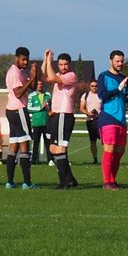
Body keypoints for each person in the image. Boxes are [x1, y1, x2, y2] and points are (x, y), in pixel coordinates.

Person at [41, 50, 82, 189]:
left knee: (60, 149)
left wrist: (49, 62)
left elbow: (51, 77)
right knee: (53, 148)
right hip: (57, 115)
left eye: (65, 64)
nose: (63, 67)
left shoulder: (71, 76)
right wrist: (46, 60)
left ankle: (64, 182)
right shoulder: (58, 75)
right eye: (60, 64)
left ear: (69, 65)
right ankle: (70, 179)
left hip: (64, 115)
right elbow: (44, 77)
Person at [95, 50, 128, 190]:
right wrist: (118, 89)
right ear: (111, 61)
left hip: (121, 119)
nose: (120, 63)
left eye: (122, 61)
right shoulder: (103, 76)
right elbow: (102, 95)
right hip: (108, 118)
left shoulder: (124, 78)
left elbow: (127, 97)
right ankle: (107, 182)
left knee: (120, 150)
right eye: (117, 61)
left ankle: (113, 180)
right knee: (109, 150)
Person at [3, 48, 37, 188]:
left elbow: (33, 87)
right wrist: (31, 79)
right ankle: (27, 182)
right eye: (23, 59)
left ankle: (10, 182)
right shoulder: (15, 73)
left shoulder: (22, 71)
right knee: (25, 146)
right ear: (16, 58)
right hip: (18, 110)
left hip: (11, 111)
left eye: (27, 59)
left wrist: (34, 75)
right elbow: (18, 93)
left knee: (14, 146)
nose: (25, 62)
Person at [26, 81, 50, 168]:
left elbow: (51, 106)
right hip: (36, 123)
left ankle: (50, 160)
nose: (40, 86)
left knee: (48, 142)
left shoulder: (48, 95)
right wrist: (40, 108)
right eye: (38, 84)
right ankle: (34, 160)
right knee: (36, 142)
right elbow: (29, 108)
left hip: (46, 123)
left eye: (41, 84)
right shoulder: (31, 96)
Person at [83, 85, 102, 164]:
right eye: (92, 86)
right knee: (93, 141)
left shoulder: (101, 94)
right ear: (90, 86)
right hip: (90, 121)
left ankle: (107, 159)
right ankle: (95, 159)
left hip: (100, 120)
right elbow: (82, 107)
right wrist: (88, 113)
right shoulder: (86, 95)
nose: (94, 87)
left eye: (96, 86)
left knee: (104, 140)